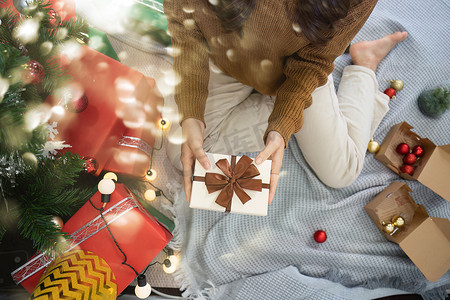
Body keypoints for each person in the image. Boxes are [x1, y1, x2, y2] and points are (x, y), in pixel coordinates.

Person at [163, 0, 408, 202]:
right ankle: (281, 108)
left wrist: (284, 122)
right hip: (226, 60)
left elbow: (315, 61)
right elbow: (185, 27)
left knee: (341, 173)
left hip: (296, 72)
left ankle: (365, 64)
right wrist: (192, 110)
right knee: (182, 154)